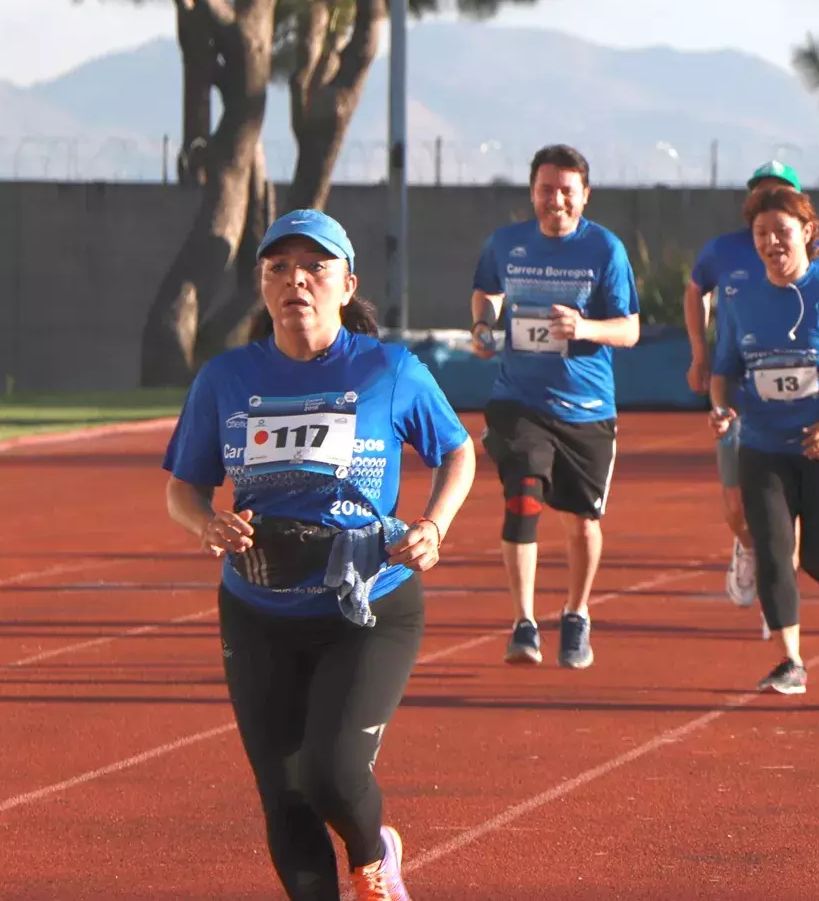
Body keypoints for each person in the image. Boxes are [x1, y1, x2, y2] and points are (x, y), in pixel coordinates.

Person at [163, 208, 476, 900]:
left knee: (331, 775)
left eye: (315, 267)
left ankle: (374, 853)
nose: (296, 280)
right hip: (257, 609)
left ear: (346, 283)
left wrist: (435, 523)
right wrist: (206, 524)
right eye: (279, 268)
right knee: (284, 795)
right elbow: (183, 489)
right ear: (262, 285)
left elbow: (458, 449)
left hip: (367, 606)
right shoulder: (224, 378)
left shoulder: (389, 369)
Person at [469, 144, 641, 669]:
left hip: (586, 407)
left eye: (567, 191)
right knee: (522, 497)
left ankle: (576, 613)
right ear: (533, 193)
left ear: (584, 196)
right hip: (519, 399)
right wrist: (482, 326)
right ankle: (523, 622)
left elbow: (630, 329)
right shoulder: (507, 244)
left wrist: (584, 328)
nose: (556, 201)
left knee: (581, 522)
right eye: (547, 190)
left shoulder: (606, 251)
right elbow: (487, 293)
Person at [708, 186, 819, 694]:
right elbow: (725, 371)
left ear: (807, 233)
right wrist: (721, 408)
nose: (771, 243)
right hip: (764, 446)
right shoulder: (740, 299)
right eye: (761, 235)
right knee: (772, 549)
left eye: (781, 232)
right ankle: (791, 661)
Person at [684, 161, 819, 611]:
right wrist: (700, 353)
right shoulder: (723, 252)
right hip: (744, 399)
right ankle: (752, 551)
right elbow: (694, 289)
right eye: (761, 194)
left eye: (782, 195)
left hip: (808, 414)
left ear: (803, 218)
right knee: (734, 505)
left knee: (806, 539)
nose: (769, 202)